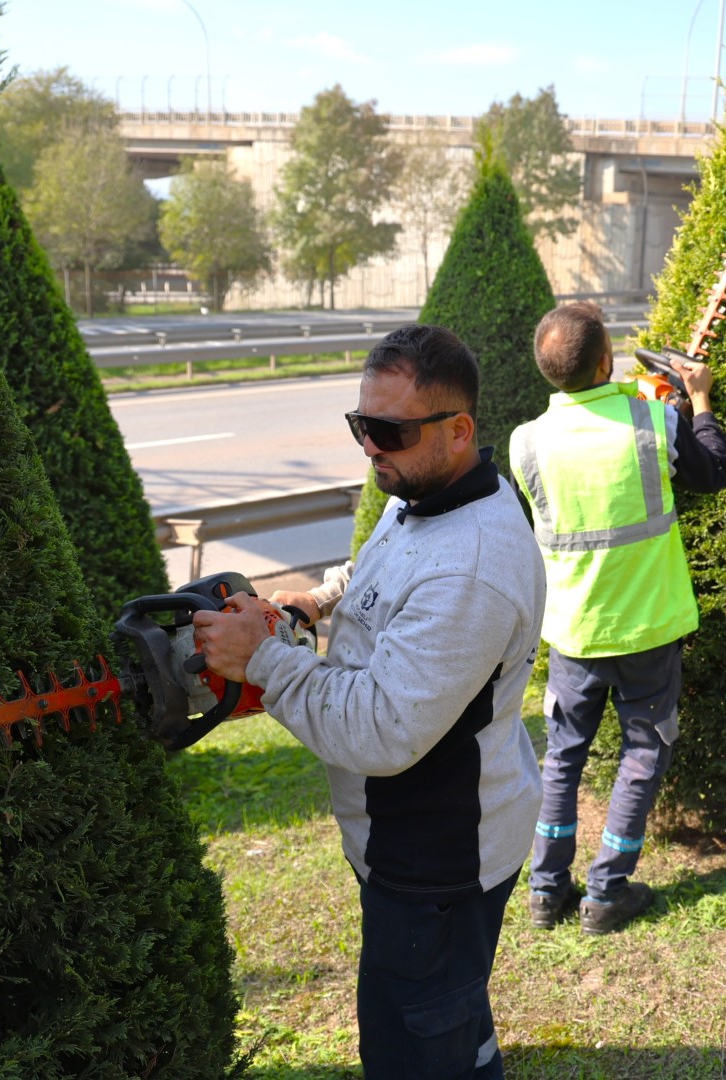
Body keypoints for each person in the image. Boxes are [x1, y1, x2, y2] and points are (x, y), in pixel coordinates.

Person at [192, 324, 545, 1079]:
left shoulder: (470, 569)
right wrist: (313, 606)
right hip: (423, 838)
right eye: (361, 426)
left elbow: (380, 730)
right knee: (451, 1014)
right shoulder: (427, 494)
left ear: (458, 431)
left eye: (386, 431)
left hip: (436, 860)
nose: (369, 448)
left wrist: (262, 660)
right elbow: (381, 567)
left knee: (412, 1047)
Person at [509, 301, 726, 936]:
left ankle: (547, 889)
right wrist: (699, 403)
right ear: (608, 361)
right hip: (648, 628)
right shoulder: (656, 421)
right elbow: (712, 470)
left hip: (574, 631)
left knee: (562, 757)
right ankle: (607, 892)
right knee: (642, 753)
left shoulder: (527, 443)